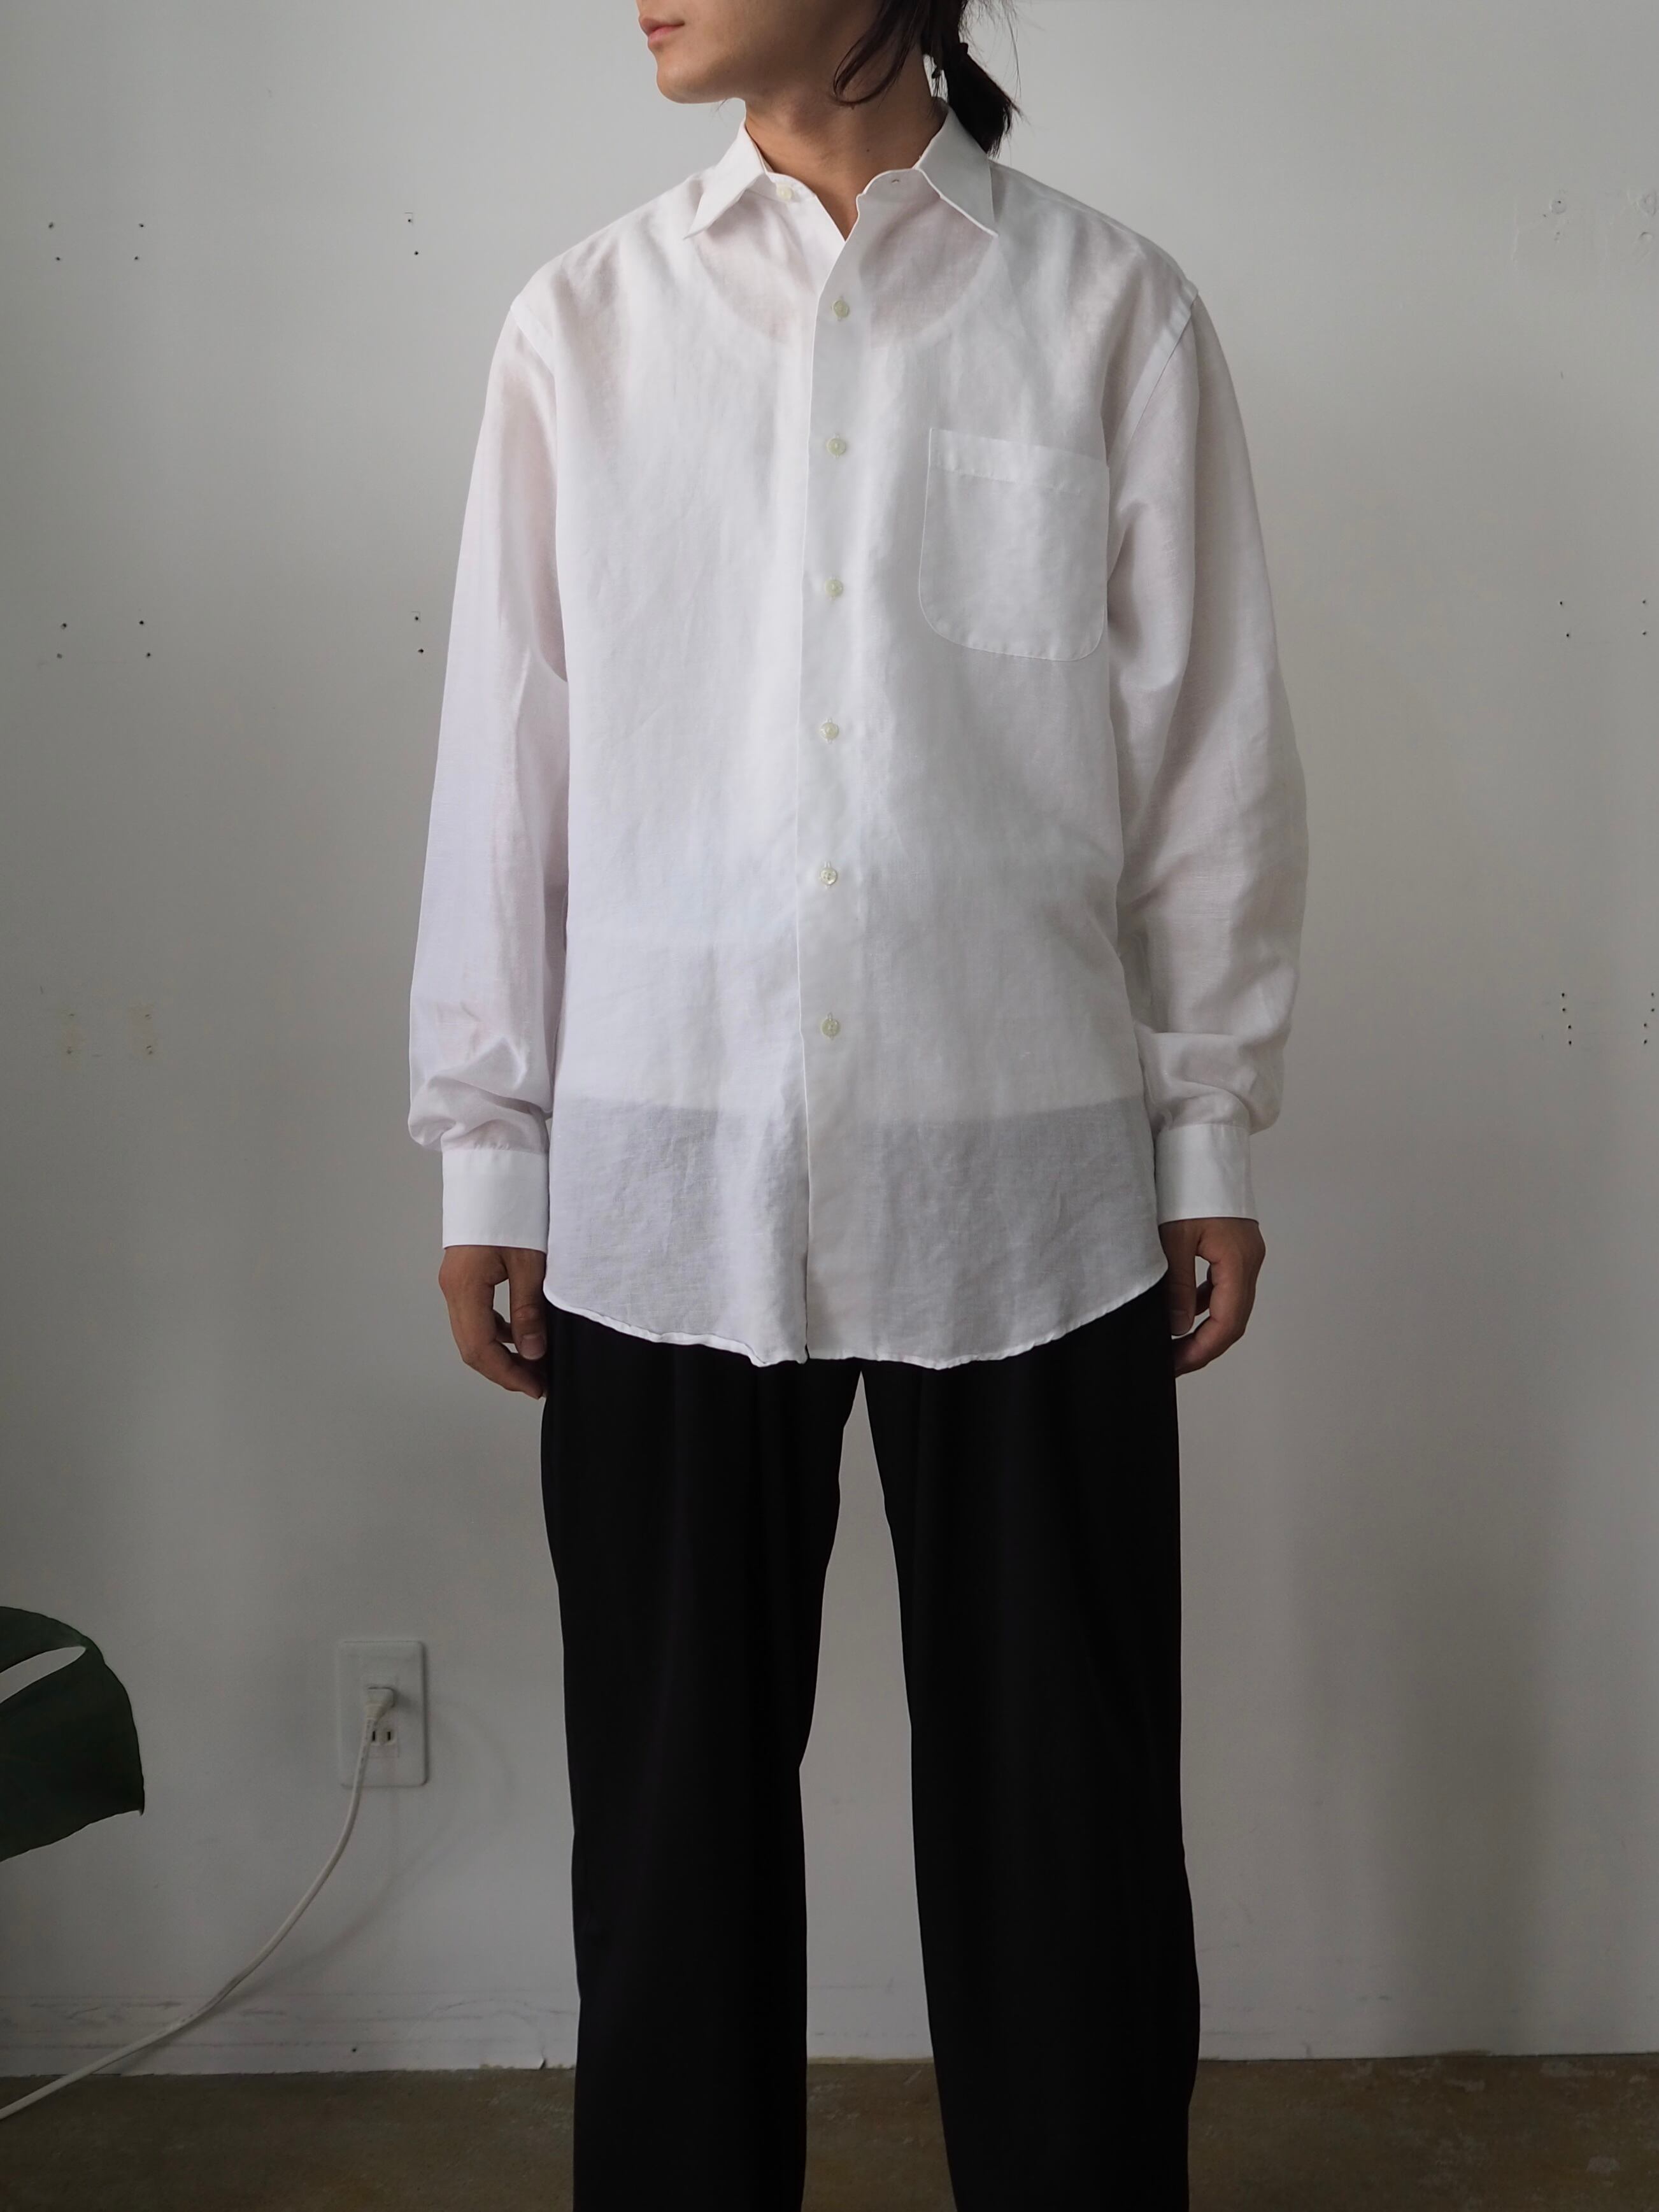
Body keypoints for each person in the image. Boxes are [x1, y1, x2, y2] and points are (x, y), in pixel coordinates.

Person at [407, 1, 1308, 2203]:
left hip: (1029, 1184)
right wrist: (491, 1140)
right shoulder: (582, 329)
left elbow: (1204, 750)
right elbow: (508, 760)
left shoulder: (1108, 313)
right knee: (672, 1849)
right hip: (666, 1184)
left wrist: (1204, 1120)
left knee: (1068, 1838)